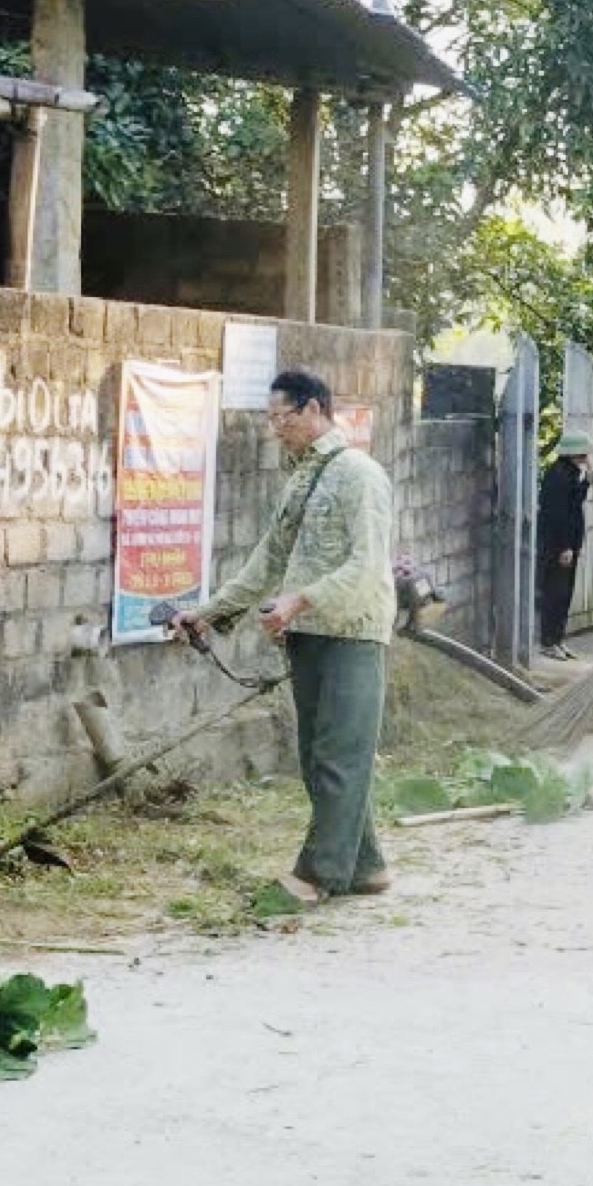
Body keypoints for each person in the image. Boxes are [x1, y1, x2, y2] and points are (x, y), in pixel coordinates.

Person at [171, 371, 397, 906]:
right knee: (320, 754)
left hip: (352, 633)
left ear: (314, 409)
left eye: (282, 418)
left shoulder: (358, 475)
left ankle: (318, 874)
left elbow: (367, 564)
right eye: (271, 419)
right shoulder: (301, 477)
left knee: (339, 754)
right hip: (309, 633)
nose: (276, 430)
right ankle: (367, 866)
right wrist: (209, 613)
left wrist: (301, 598)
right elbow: (268, 559)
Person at [535, 431, 593, 660]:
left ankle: (558, 639)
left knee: (565, 594)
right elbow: (558, 515)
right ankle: (548, 641)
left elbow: (574, 503)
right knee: (555, 593)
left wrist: (586, 483)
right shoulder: (557, 475)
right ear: (574, 453)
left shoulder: (570, 474)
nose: (586, 457)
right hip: (559, 546)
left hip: (568, 545)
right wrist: (565, 546)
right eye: (583, 454)